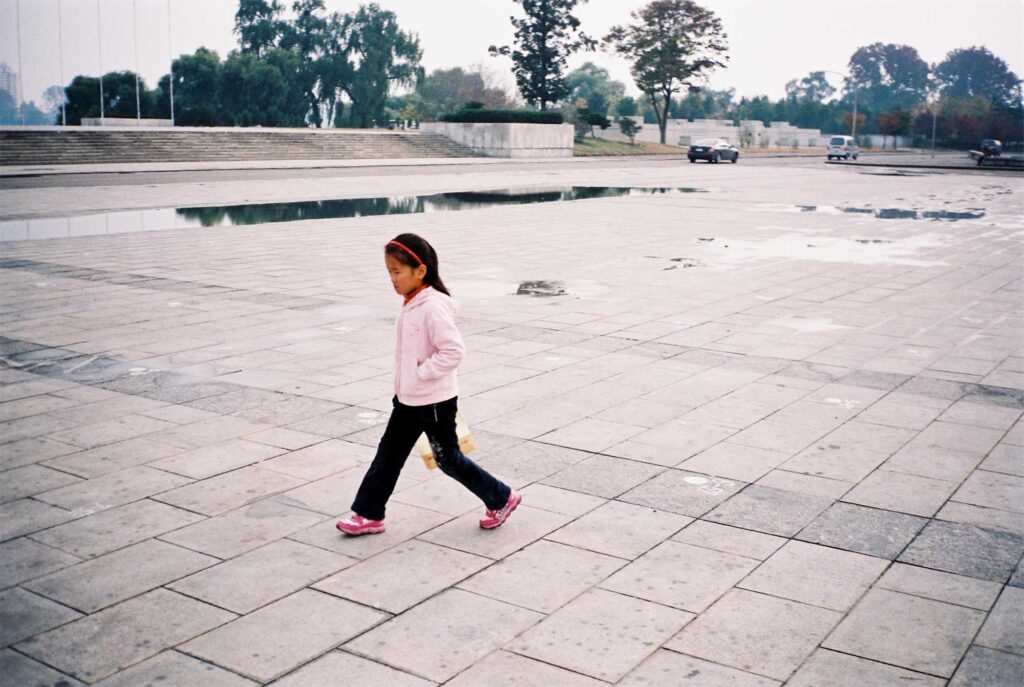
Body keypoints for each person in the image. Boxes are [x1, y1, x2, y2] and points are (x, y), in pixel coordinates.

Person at [337, 233, 521, 536]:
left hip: (434, 402)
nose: (392, 279)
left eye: (397, 272)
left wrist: (422, 372)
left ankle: (501, 497)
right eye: (389, 273)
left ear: (420, 271)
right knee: (388, 457)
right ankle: (369, 514)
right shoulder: (412, 303)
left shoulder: (432, 306)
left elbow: (453, 351)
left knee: (448, 459)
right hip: (408, 400)